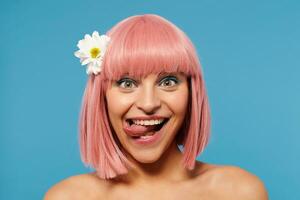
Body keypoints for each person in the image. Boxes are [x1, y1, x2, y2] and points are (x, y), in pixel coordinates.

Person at [44, 14, 268, 200]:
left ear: (192, 93)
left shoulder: (238, 192)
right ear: (101, 96)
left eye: (168, 82)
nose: (148, 103)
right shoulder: (68, 196)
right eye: (127, 83)